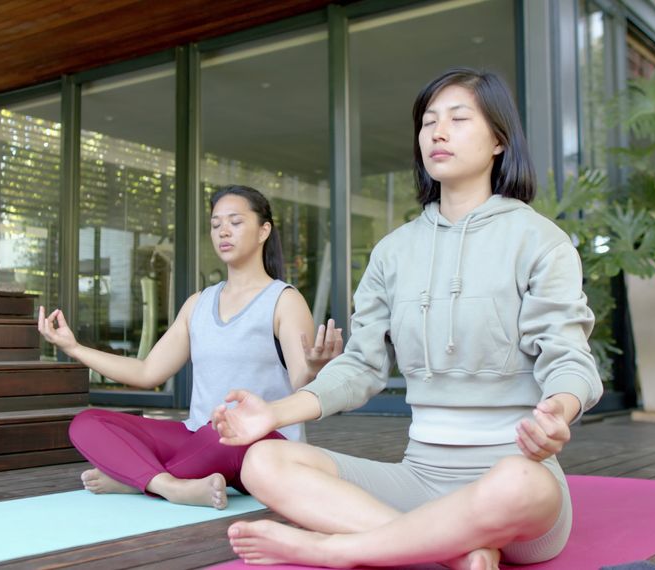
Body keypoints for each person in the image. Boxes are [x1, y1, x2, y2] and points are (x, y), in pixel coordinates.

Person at [211, 68, 602, 569]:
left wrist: (559, 410)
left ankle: (337, 550)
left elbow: (569, 355)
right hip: (418, 479)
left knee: (521, 482)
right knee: (264, 461)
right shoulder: (392, 252)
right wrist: (273, 414)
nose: (437, 132)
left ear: (499, 140)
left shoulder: (539, 240)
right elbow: (360, 367)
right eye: (428, 122)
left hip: (512, 479)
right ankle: (456, 553)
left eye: (458, 119)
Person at [38, 185, 342, 510]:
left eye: (235, 222)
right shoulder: (199, 303)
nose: (223, 231)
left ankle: (140, 479)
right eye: (215, 224)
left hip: (260, 444)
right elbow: (146, 371)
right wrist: (74, 348)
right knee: (87, 424)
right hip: (197, 437)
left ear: (263, 230)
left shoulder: (284, 300)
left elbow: (302, 386)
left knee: (223, 427)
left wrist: (315, 369)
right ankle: (169, 485)